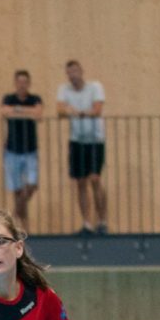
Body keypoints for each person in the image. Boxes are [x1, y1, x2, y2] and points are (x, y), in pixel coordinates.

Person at [56, 60, 107, 235]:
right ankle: (87, 223)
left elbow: (97, 109)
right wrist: (78, 112)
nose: (73, 75)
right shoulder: (64, 90)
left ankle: (102, 220)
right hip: (77, 140)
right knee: (80, 182)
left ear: (81, 71)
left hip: (95, 139)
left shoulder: (95, 87)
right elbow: (60, 111)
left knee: (95, 178)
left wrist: (78, 112)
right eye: (70, 72)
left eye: (76, 71)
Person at [0, 70, 44, 231]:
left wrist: (16, 111)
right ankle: (24, 228)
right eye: (19, 81)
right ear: (15, 83)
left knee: (31, 184)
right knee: (17, 190)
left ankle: (11, 217)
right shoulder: (8, 98)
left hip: (30, 149)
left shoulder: (35, 98)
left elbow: (38, 114)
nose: (22, 85)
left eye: (25, 82)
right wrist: (27, 112)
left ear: (29, 83)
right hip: (12, 149)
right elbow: (4, 112)